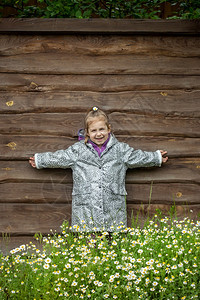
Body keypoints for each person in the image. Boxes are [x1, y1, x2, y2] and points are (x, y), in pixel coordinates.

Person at [29, 107, 168, 232]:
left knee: (113, 245)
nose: (98, 134)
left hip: (113, 206)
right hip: (85, 207)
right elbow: (59, 157)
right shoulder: (78, 150)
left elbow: (137, 157)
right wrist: (40, 160)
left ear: (109, 128)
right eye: (94, 130)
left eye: (101, 129)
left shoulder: (120, 150)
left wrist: (156, 157)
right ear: (87, 133)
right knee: (88, 245)